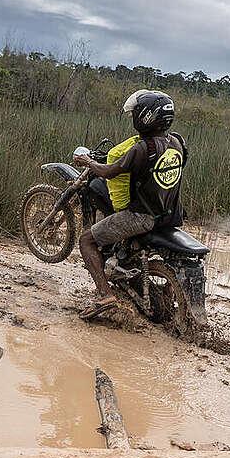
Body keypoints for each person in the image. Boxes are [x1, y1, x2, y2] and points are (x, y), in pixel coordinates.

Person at [73, 89, 185, 319]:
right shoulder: (177, 142)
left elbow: (108, 172)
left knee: (86, 240)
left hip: (141, 216)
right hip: (168, 214)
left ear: (145, 117)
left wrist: (88, 161)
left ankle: (104, 295)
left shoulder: (142, 148)